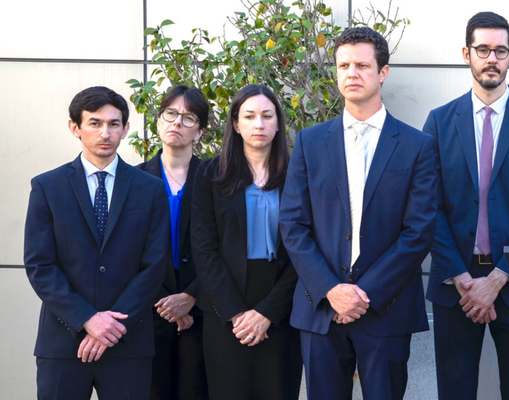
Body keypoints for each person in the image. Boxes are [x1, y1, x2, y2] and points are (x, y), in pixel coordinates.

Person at [281, 26, 438, 400]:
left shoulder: (417, 146)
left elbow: (418, 231)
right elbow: (293, 224)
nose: (352, 73)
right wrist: (332, 290)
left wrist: (362, 294)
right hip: (320, 308)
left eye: (362, 66)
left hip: (387, 309)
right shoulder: (309, 142)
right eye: (344, 66)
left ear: (382, 73)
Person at [422, 11, 509, 400]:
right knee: (455, 392)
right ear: (467, 53)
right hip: (455, 287)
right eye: (483, 49)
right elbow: (428, 207)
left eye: (500, 50)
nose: (491, 59)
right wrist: (463, 280)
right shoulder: (439, 121)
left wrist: (499, 276)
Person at [25, 86, 170, 399]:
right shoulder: (47, 187)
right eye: (95, 123)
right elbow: (40, 265)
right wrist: (87, 318)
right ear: (75, 127)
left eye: (114, 124)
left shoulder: (150, 189)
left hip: (128, 343)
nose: (105, 132)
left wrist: (112, 326)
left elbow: (155, 265)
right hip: (64, 342)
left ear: (125, 129)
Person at [191, 85, 302, 400]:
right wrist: (237, 313)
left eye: (267, 116)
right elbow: (203, 248)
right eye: (250, 116)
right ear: (236, 124)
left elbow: (305, 247)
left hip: (282, 302)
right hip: (225, 304)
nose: (259, 124)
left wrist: (268, 312)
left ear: (278, 123)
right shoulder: (212, 174)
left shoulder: (297, 173)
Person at [135, 84, 210, 400]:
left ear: (200, 131)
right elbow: (127, 254)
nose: (177, 123)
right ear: (157, 120)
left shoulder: (216, 179)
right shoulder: (134, 180)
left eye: (188, 118)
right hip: (150, 314)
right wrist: (168, 304)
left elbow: (227, 248)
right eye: (170, 114)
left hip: (204, 313)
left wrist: (191, 297)